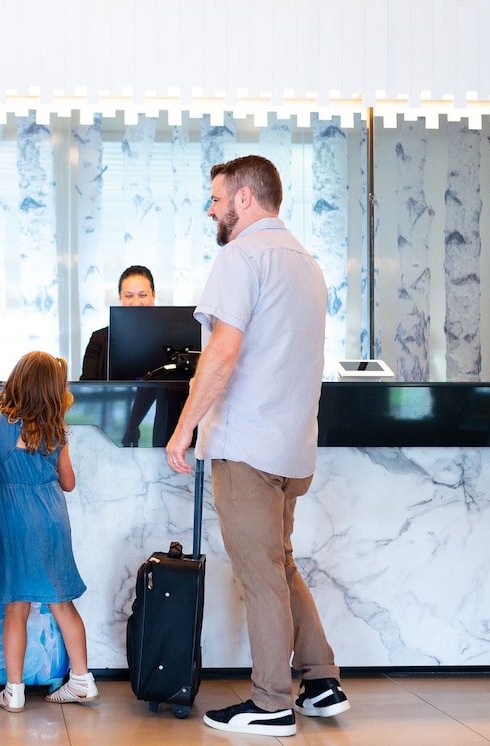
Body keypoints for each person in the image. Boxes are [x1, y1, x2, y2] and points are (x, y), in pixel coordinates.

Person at [165, 155, 350, 738]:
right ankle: (320, 680)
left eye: (216, 198)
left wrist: (184, 427)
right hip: (293, 447)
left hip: (247, 444)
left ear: (244, 198)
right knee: (280, 563)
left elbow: (223, 351)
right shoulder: (307, 263)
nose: (211, 209)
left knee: (262, 574)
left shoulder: (241, 255)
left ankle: (271, 703)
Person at [0, 351, 98, 713]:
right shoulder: (55, 429)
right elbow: (68, 483)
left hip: (14, 521)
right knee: (62, 602)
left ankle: (14, 691)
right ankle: (81, 679)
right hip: (52, 519)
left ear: (16, 381)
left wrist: (10, 473)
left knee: (16, 606)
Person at [80, 265, 155, 380]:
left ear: (153, 295)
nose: (136, 302)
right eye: (129, 296)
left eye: (142, 295)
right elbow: (87, 384)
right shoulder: (99, 339)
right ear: (120, 297)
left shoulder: (169, 336)